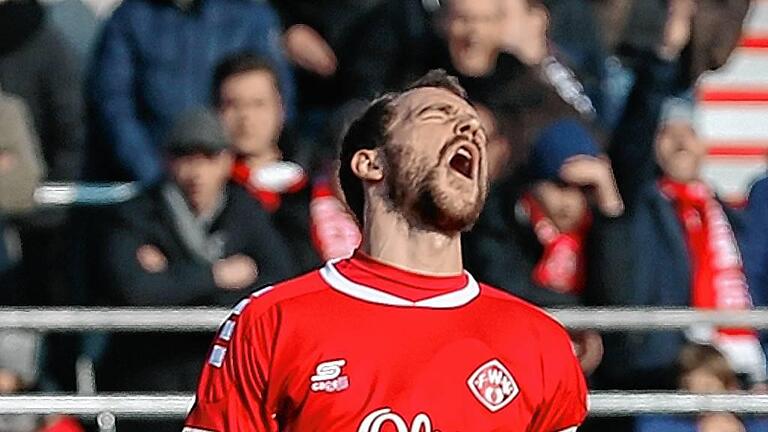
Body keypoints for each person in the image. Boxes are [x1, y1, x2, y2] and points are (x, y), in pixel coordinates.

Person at [184, 70, 587, 431]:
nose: (467, 131)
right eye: (437, 118)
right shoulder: (270, 323)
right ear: (370, 163)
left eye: (474, 129)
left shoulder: (540, 343)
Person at [95, 108, 297, 432]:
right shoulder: (135, 214)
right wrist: (216, 275)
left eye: (208, 157)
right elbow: (133, 290)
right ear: (166, 160)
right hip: (148, 379)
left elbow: (279, 283)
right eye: (185, 157)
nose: (196, 172)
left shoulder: (246, 211)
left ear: (227, 161)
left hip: (226, 379)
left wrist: (172, 278)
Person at [87, 0, 295, 185]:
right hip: (152, 183)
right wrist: (156, 176)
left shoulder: (249, 16)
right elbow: (113, 104)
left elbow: (275, 97)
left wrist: (233, 174)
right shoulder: (131, 18)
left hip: (237, 184)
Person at [213, 53, 360, 266]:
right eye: (233, 105)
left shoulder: (320, 175)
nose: (245, 117)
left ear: (280, 108)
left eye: (258, 104)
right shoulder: (204, 186)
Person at [635, 343, 768, 432]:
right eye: (692, 391)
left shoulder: (756, 425)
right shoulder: (662, 425)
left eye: (708, 388)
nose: (701, 399)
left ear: (731, 387)